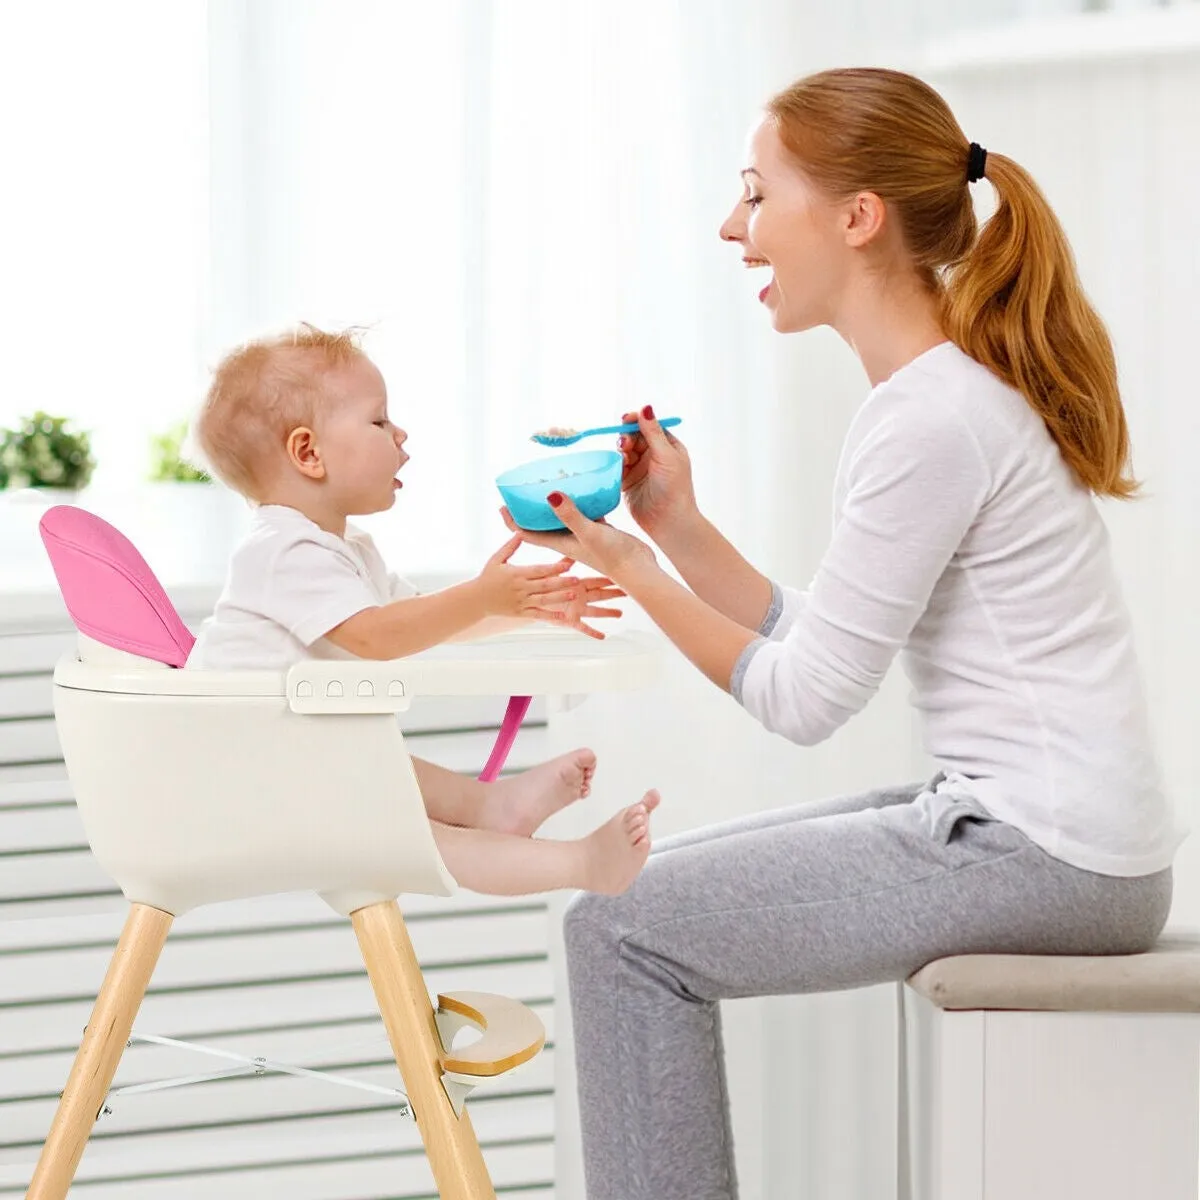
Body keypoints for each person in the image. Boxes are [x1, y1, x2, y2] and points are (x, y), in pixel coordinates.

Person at [505, 67, 1184, 1199]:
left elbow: (802, 701)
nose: (734, 227)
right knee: (634, 895)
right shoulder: (943, 400)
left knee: (622, 934)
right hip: (1056, 836)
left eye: (757, 195)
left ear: (858, 218)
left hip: (1046, 853)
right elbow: (824, 641)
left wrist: (622, 560)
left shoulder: (928, 417)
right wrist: (676, 528)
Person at [187, 324, 660, 898]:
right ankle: (577, 865)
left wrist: (530, 606)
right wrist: (483, 595)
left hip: (292, 758)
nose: (401, 433)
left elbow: (424, 621)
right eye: (379, 420)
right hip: (243, 778)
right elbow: (374, 637)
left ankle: (492, 804)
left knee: (378, 765)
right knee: (418, 838)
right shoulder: (283, 549)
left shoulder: (343, 549)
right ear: (308, 452)